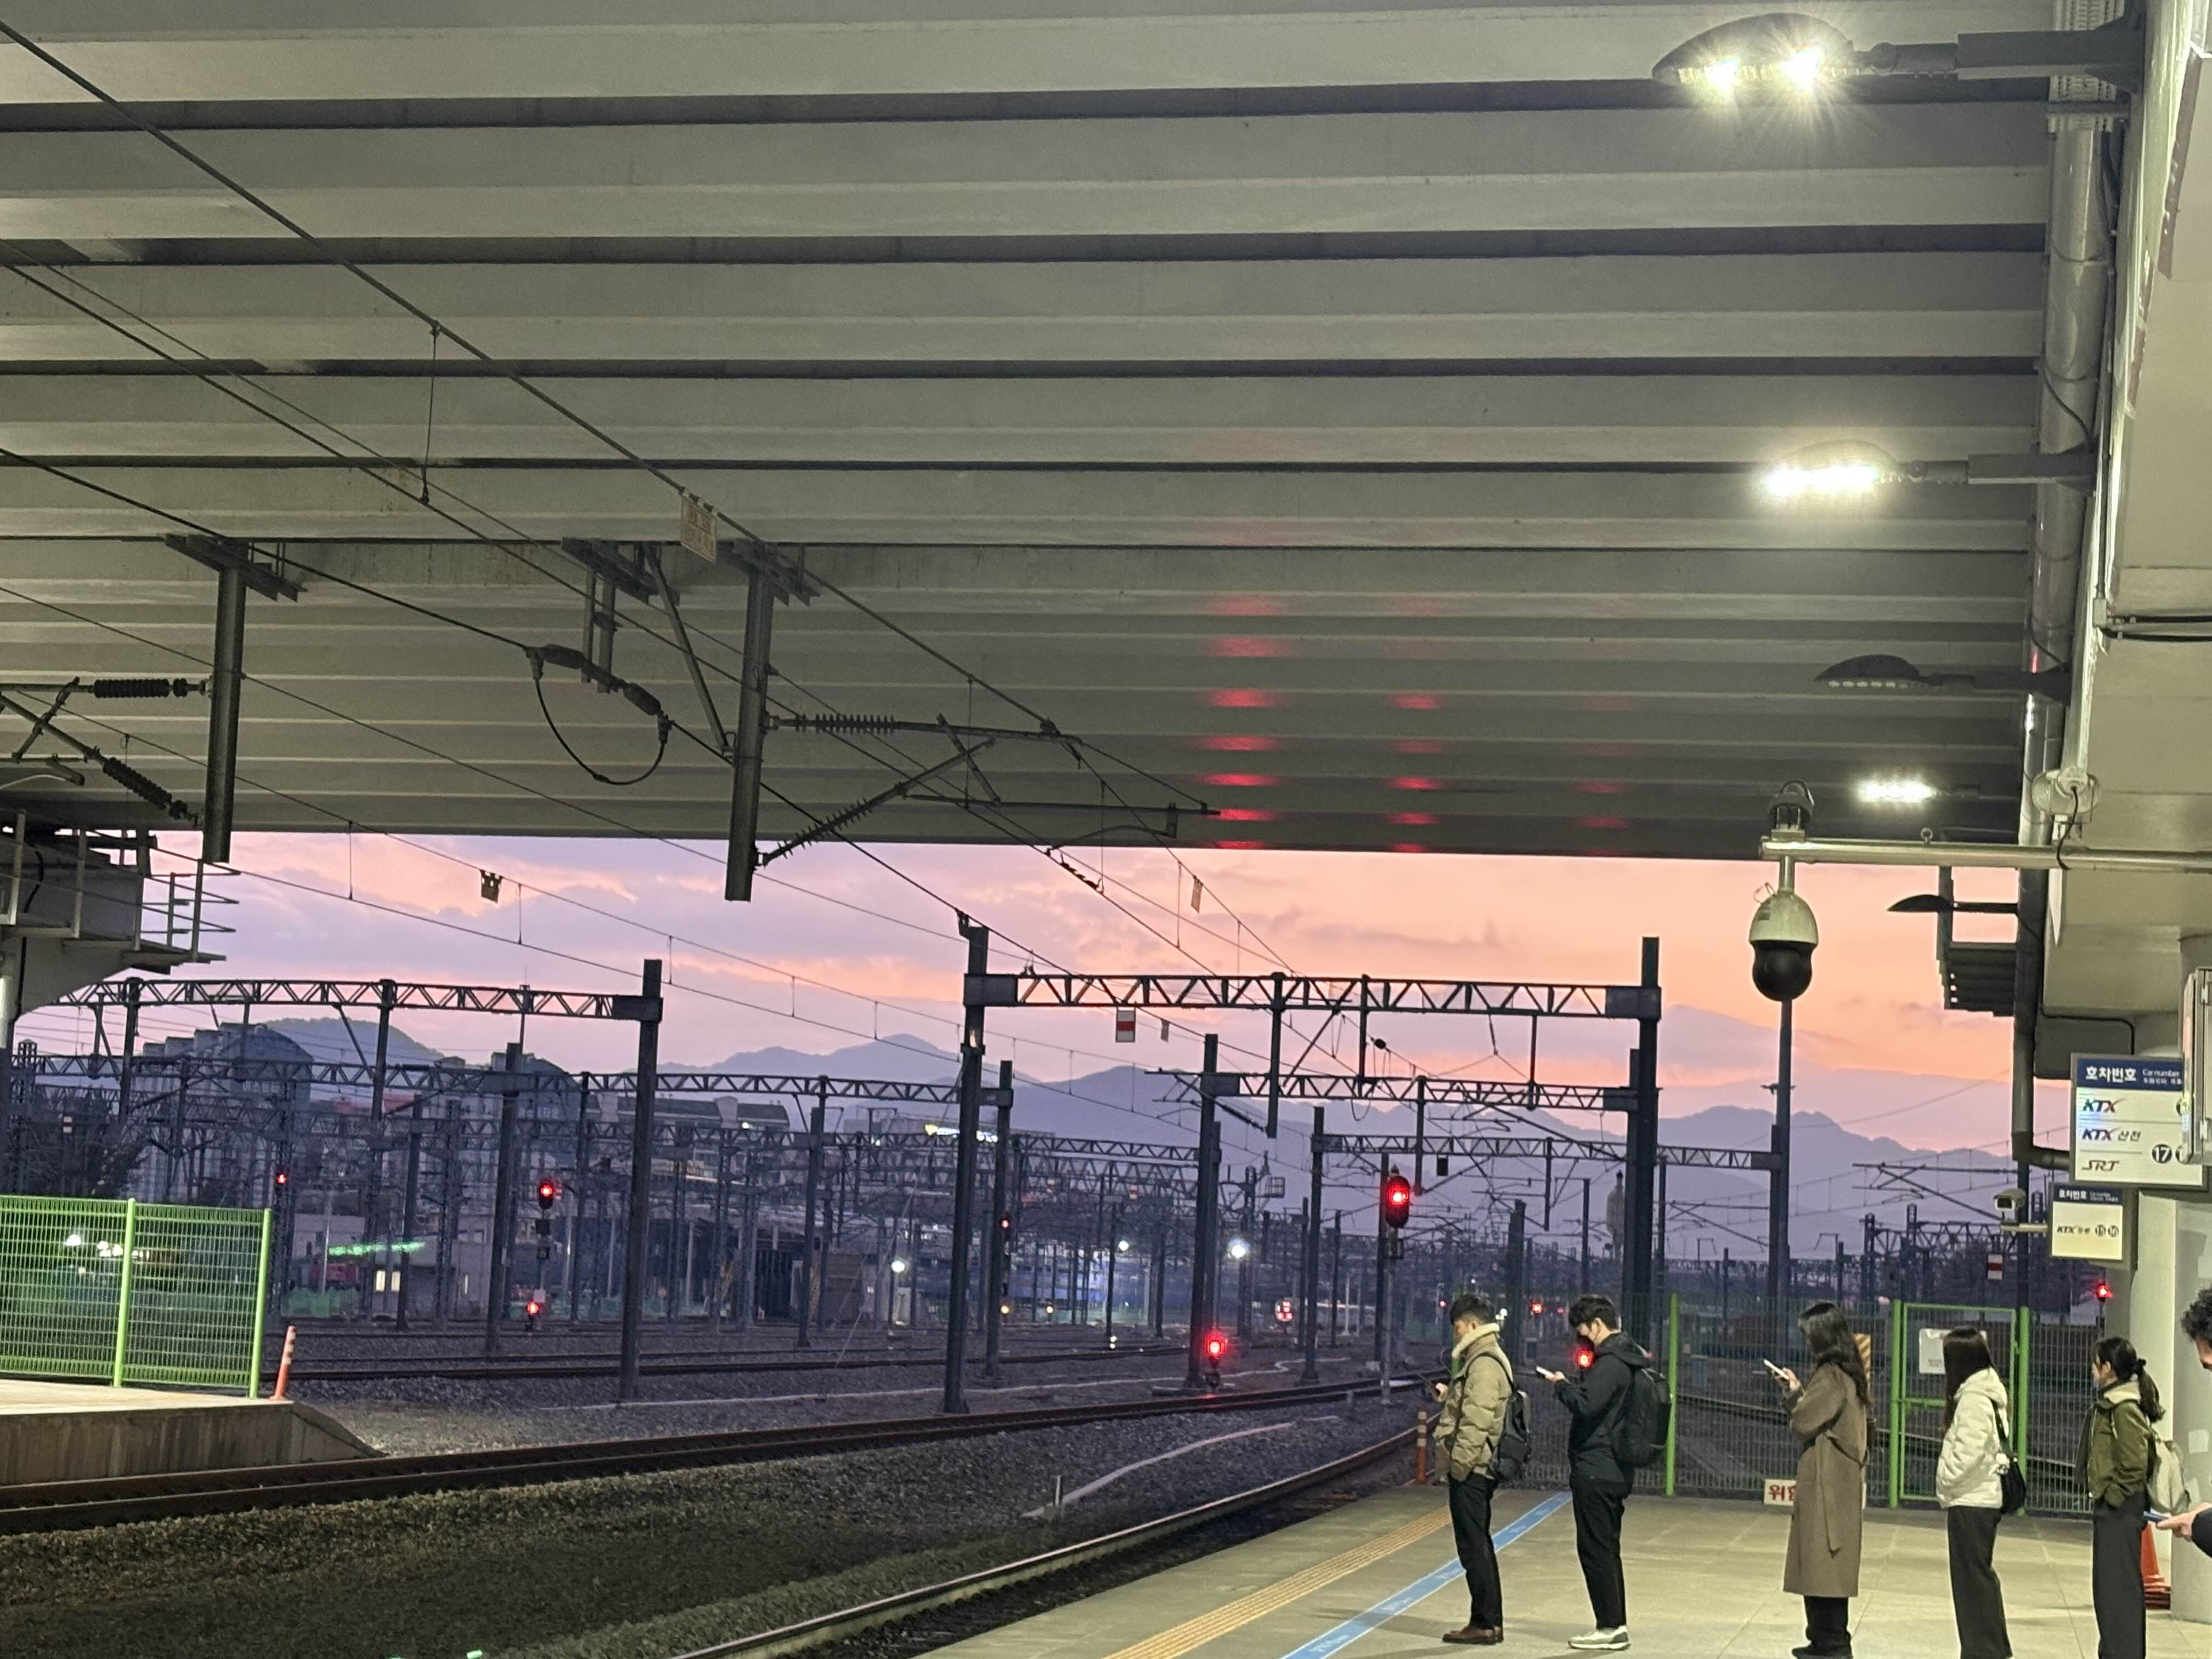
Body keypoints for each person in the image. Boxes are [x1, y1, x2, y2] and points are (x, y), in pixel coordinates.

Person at [1536, 1292, 1651, 1651]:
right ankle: (1614, 1623)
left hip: (1597, 1468)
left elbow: (1587, 1405)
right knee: (1606, 1548)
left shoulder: (1611, 1363)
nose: (1581, 1338)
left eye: (1583, 1330)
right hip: (1612, 1467)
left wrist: (1561, 1386)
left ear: (1598, 1325)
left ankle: (1610, 1626)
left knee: (1596, 1550)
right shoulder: (1628, 1357)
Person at [1771, 1301, 1870, 1659]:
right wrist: (1798, 1391)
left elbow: (1804, 1422)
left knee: (1823, 1569)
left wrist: (1795, 1396)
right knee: (1826, 1569)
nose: (1807, 1343)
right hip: (1837, 1484)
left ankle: (1830, 1645)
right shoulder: (1848, 1373)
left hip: (1828, 1486)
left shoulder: (1831, 1376)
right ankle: (1825, 1641)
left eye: (1809, 1336)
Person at [1434, 1291, 1514, 1646]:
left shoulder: (1483, 1364)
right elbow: (1473, 1407)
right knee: (1479, 1544)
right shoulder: (1485, 1360)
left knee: (1473, 1547)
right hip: (1477, 1467)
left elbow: (1476, 1422)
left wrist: (1459, 1468)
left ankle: (1484, 1622)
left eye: (1458, 1327)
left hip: (1473, 1469)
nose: (1455, 1334)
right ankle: (1489, 1621)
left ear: (1473, 1325)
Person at [1934, 1327, 2011, 1659]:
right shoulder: (1983, 1393)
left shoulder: (1974, 1400)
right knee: (1976, 1579)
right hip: (1978, 1499)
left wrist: (1945, 1481)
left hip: (1971, 1500)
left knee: (1972, 1582)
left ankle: (1984, 1649)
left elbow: (1969, 1452)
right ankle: (1986, 1647)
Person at [2083, 1335, 2160, 1659]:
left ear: (2108, 1368)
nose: (2092, 1370)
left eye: (2096, 1364)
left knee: (2118, 1591)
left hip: (2121, 1509)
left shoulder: (2124, 1408)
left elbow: (2134, 1464)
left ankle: (2122, 1653)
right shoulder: (2114, 1403)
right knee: (2108, 1589)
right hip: (2114, 1508)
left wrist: (2112, 1498)